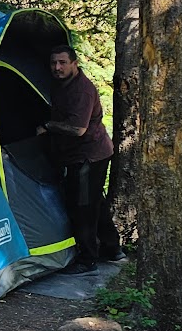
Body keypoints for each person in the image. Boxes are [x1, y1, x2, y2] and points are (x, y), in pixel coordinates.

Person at [39, 44, 123, 273]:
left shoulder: (82, 90)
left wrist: (48, 126)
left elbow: (78, 129)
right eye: (54, 63)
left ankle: (88, 260)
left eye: (63, 62)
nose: (57, 67)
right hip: (81, 154)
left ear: (74, 63)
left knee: (83, 207)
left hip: (90, 156)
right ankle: (113, 249)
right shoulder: (61, 85)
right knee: (95, 202)